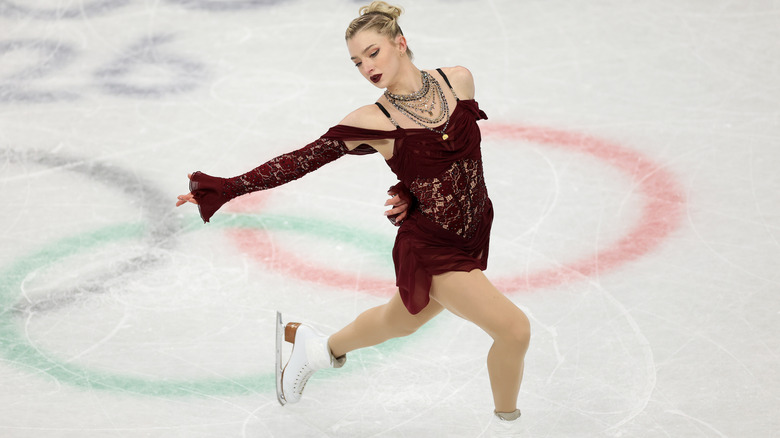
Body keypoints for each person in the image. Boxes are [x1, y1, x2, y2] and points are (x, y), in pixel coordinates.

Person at [176, 1, 530, 427]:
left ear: (401, 43)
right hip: (432, 246)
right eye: (357, 62)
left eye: (373, 52)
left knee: (398, 321)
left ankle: (317, 348)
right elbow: (298, 161)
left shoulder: (458, 81)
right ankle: (508, 424)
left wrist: (411, 187)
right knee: (514, 330)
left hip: (473, 231)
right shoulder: (373, 120)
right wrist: (227, 187)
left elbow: (456, 153)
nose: (366, 67)